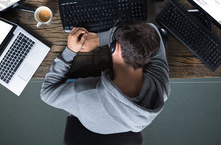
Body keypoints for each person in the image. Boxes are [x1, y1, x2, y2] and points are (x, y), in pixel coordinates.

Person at [41, 21, 170, 134]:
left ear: (116, 47)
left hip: (94, 124)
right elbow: (151, 30)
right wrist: (100, 39)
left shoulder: (84, 93)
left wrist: (70, 51)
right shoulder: (159, 87)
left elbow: (47, 93)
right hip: (127, 124)